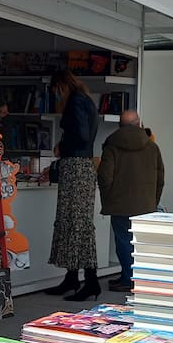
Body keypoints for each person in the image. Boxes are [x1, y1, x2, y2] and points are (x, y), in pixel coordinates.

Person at [45, 70, 101, 301]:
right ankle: (75, 277)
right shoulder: (85, 99)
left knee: (75, 223)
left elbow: (81, 135)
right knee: (77, 223)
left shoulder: (75, 102)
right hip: (83, 167)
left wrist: (62, 145)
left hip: (75, 168)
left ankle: (89, 280)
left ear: (61, 86)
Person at [97, 110, 164, 293]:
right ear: (139, 123)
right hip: (146, 205)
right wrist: (153, 200)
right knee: (140, 245)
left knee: (124, 243)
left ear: (120, 126)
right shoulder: (152, 147)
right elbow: (160, 178)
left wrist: (109, 198)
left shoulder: (111, 146)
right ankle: (136, 278)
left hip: (120, 205)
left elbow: (104, 176)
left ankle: (128, 278)